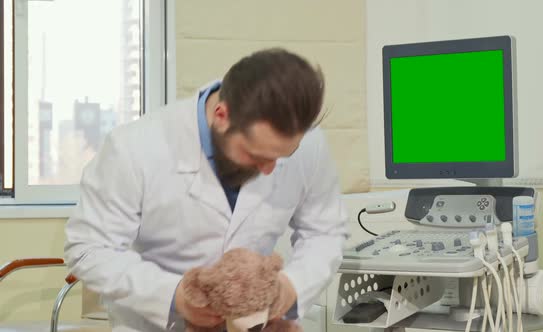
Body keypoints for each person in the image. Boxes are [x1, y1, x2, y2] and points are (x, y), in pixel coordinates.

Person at [64, 48, 349, 331]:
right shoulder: (134, 148)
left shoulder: (309, 144)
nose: (270, 170)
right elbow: (89, 248)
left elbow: (324, 232)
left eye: (283, 156)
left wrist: (291, 287)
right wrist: (174, 296)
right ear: (221, 115)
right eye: (256, 155)